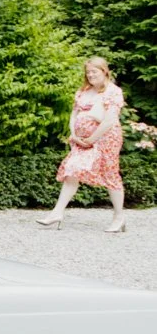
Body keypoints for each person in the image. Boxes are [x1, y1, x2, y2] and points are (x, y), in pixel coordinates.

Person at [39, 57, 127, 233]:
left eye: (94, 71)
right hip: (81, 140)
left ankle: (119, 217)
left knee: (110, 175)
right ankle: (57, 212)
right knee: (72, 169)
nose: (91, 75)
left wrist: (92, 139)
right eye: (88, 72)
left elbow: (110, 120)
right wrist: (74, 134)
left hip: (106, 139)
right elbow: (74, 114)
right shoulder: (84, 91)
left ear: (104, 71)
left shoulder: (113, 92)